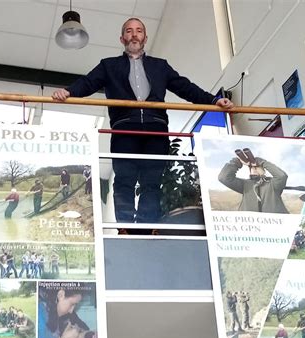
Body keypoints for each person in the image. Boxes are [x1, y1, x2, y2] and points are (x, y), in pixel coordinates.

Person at [52, 18, 234, 231]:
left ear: (145, 38)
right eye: (129, 31)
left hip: (155, 129)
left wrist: (213, 100)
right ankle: (126, 228)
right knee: (124, 180)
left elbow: (186, 87)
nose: (134, 35)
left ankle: (146, 227)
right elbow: (88, 82)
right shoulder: (108, 65)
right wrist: (69, 91)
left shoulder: (160, 66)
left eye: (139, 31)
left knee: (152, 182)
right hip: (124, 129)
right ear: (122, 38)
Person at [218, 150, 289, 213]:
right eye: (251, 167)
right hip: (251, 226)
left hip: (275, 224)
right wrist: (237, 161)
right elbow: (223, 178)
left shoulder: (273, 184)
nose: (254, 168)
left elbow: (282, 176)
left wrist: (262, 162)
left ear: (263, 170)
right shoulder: (244, 184)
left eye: (257, 167)